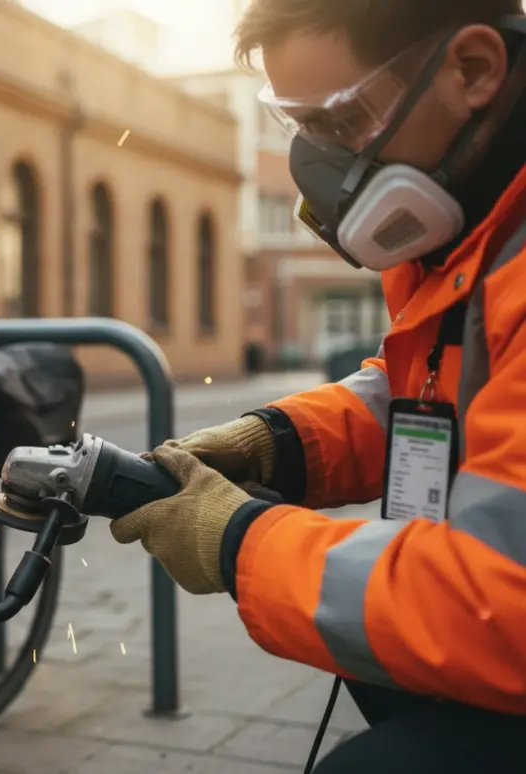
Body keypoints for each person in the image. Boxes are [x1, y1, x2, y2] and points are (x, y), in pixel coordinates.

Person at [110, 1, 526, 771]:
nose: (320, 164)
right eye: (298, 126)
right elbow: (426, 391)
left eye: (343, 121)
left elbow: (502, 601)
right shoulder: (476, 225)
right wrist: (274, 444)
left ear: (473, 69)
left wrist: (237, 539)